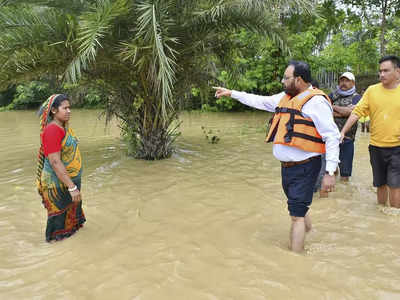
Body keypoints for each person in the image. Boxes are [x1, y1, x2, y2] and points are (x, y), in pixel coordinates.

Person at [214, 61, 340, 252]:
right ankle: (310, 231)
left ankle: (295, 260)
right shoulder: (285, 97)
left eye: (286, 78)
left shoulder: (317, 102)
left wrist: (330, 172)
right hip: (287, 167)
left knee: (295, 216)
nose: (282, 81)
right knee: (297, 207)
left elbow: (332, 136)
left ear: (298, 80)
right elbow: (260, 100)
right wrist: (232, 93)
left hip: (305, 166)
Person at [340, 55, 400, 208]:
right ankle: (382, 216)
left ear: (397, 72)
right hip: (376, 147)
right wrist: (343, 132)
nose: (382, 74)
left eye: (386, 71)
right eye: (380, 71)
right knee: (380, 184)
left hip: (397, 148)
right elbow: (357, 112)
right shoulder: (372, 91)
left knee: (395, 185)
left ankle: (394, 216)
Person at [36, 94, 86, 242]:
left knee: (71, 226)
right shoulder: (52, 130)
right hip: (58, 185)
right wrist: (71, 187)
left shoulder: (64, 128)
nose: (69, 111)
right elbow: (55, 162)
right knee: (58, 230)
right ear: (53, 111)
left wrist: (73, 185)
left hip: (68, 182)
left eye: (69, 108)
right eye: (65, 108)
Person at [329, 72, 362, 182]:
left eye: (347, 81)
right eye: (342, 80)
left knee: (345, 174)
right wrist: (345, 111)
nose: (343, 83)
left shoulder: (357, 97)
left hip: (348, 138)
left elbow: (354, 113)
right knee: (331, 171)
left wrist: (333, 108)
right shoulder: (332, 95)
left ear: (353, 83)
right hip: (331, 138)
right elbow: (324, 110)